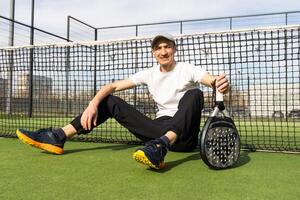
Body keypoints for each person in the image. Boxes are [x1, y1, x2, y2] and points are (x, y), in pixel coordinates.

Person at [16, 33, 230, 170]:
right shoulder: (149, 73)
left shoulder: (187, 69)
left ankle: (162, 145)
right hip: (156, 129)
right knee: (109, 101)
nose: (163, 51)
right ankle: (59, 136)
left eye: (167, 46)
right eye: (158, 48)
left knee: (195, 94)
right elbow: (112, 87)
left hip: (183, 137)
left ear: (174, 49)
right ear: (154, 53)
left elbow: (209, 80)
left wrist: (218, 82)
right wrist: (93, 104)